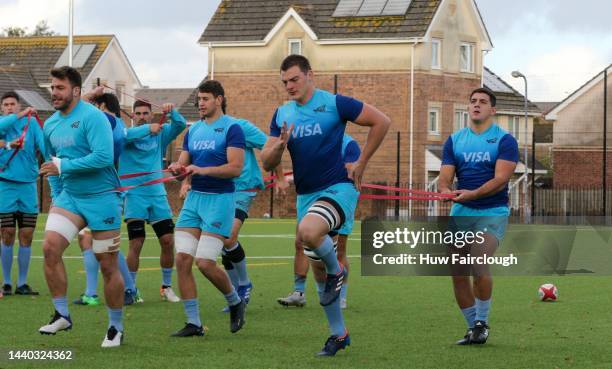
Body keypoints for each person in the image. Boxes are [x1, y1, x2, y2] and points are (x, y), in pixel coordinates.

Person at [261, 55, 390, 356]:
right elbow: (267, 162)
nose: (289, 86)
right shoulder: (281, 114)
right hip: (307, 195)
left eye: (294, 79)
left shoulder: (335, 103)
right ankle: (339, 334)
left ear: (309, 75)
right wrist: (279, 147)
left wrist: (361, 162)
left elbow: (381, 121)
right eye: (284, 82)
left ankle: (337, 271)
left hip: (338, 189)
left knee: (308, 232)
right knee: (317, 273)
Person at [38, 66, 126, 348]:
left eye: (60, 88)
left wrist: (64, 166)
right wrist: (57, 196)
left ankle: (115, 327)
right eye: (52, 88)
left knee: (108, 264)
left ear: (76, 90)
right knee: (50, 247)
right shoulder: (50, 124)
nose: (54, 93)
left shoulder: (94, 117)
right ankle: (62, 313)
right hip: (70, 197)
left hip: (102, 198)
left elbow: (103, 157)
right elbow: (54, 166)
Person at [438, 87, 519, 345]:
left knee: (478, 258)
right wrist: (445, 190)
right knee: (458, 273)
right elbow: (445, 177)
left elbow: (501, 179)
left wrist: (472, 194)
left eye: (483, 102)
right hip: (461, 212)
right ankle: (474, 328)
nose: (476, 105)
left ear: (492, 110)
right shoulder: (455, 140)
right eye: (473, 101)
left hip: (492, 211)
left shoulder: (505, 141)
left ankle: (482, 322)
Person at [169, 80, 246, 337]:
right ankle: (194, 323)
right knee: (181, 259)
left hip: (220, 201)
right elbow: (183, 167)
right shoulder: (192, 131)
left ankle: (235, 301)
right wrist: (177, 171)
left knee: (204, 263)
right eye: (198, 99)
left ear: (219, 100)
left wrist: (201, 170)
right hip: (194, 201)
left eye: (205, 99)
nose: (200, 103)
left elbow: (235, 168)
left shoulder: (232, 129)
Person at [70, 89, 145, 306]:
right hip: (101, 188)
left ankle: (99, 293)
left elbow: (75, 106)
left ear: (101, 107)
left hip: (98, 190)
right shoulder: (120, 125)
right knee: (100, 243)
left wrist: (89, 95)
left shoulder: (105, 119)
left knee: (93, 241)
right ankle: (112, 291)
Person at [277, 134, 360, 309]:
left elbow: (354, 170)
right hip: (310, 196)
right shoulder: (312, 140)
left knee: (340, 250)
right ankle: (299, 292)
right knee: (300, 242)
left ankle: (341, 296)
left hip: (339, 199)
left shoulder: (349, 144)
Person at [120, 99, 186, 303]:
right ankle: (131, 289)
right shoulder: (126, 134)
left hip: (157, 194)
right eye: (137, 114)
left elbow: (180, 125)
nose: (141, 117)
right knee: (136, 243)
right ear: (133, 116)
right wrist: (149, 128)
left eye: (145, 113)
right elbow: (123, 136)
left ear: (151, 114)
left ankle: (166, 287)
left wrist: (171, 111)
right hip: (134, 195)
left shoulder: (160, 135)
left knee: (167, 241)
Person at [0, 91, 44, 296]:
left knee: (27, 234)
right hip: (6, 186)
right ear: (2, 108)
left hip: (28, 186)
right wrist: (19, 115)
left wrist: (55, 161)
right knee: (7, 234)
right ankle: (7, 282)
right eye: (6, 105)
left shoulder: (32, 124)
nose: (9, 107)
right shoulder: (3, 124)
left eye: (13, 104)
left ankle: (23, 283)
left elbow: (44, 146)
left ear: (18, 105)